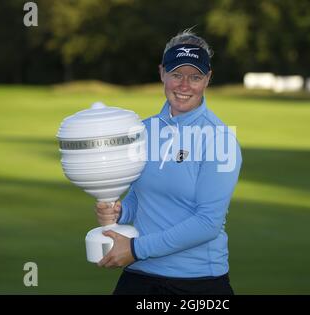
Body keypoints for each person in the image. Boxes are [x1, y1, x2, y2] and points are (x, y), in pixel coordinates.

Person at [95, 29, 242, 295]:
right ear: (162, 73)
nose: (184, 86)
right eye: (176, 75)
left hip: (197, 282)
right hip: (139, 276)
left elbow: (208, 223)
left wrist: (137, 249)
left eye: (195, 77)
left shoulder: (220, 139)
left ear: (207, 79)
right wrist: (120, 212)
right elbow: (139, 199)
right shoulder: (142, 130)